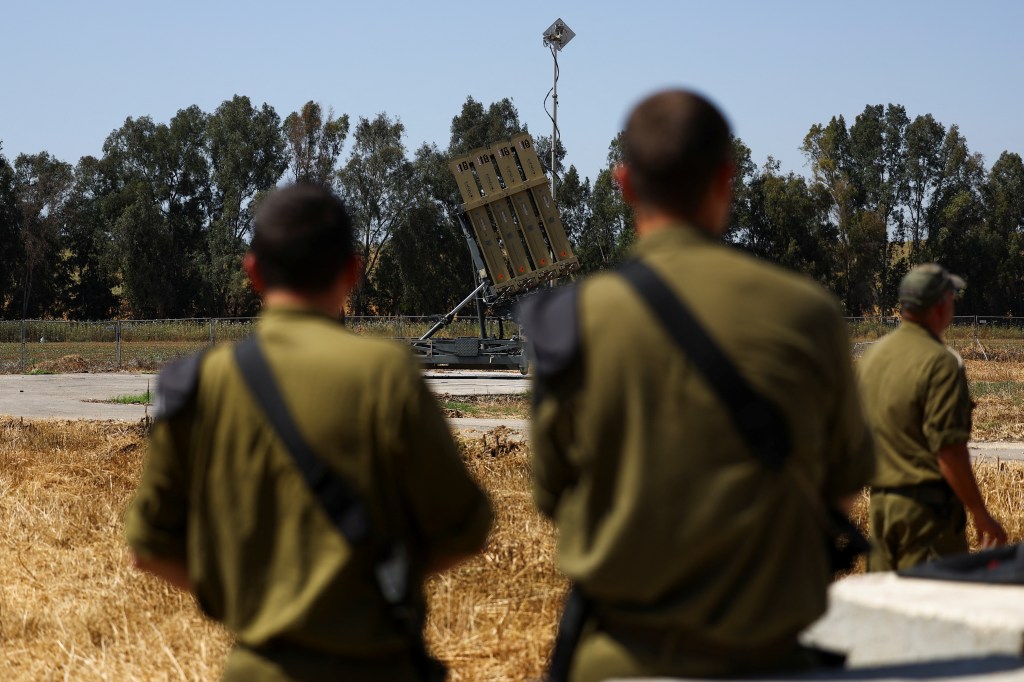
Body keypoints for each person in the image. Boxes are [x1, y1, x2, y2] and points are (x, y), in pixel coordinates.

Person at [522, 89, 875, 682]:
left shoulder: (571, 321)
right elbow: (841, 484)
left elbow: (554, 493)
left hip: (618, 661)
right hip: (770, 660)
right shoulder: (807, 314)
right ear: (726, 179)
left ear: (624, 183)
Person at [124, 183, 493, 681]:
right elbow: (466, 529)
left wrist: (243, 598)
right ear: (352, 271)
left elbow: (147, 547)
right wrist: (376, 583)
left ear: (252, 272)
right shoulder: (387, 374)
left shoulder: (200, 385)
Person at [859, 263, 1006, 572]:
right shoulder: (941, 363)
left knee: (885, 609)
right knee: (932, 607)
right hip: (926, 516)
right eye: (952, 296)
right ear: (940, 306)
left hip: (881, 508)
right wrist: (980, 512)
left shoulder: (871, 358)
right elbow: (949, 451)